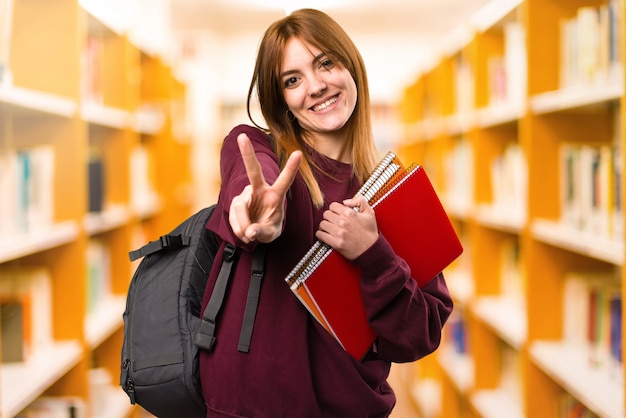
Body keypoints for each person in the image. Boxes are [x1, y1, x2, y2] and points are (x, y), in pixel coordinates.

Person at [199, 8, 453, 417]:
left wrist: (374, 255)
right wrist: (255, 211)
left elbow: (420, 337)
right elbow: (249, 187)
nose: (315, 87)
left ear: (350, 65)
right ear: (280, 98)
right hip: (244, 408)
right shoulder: (255, 150)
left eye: (326, 63)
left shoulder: (397, 194)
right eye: (292, 80)